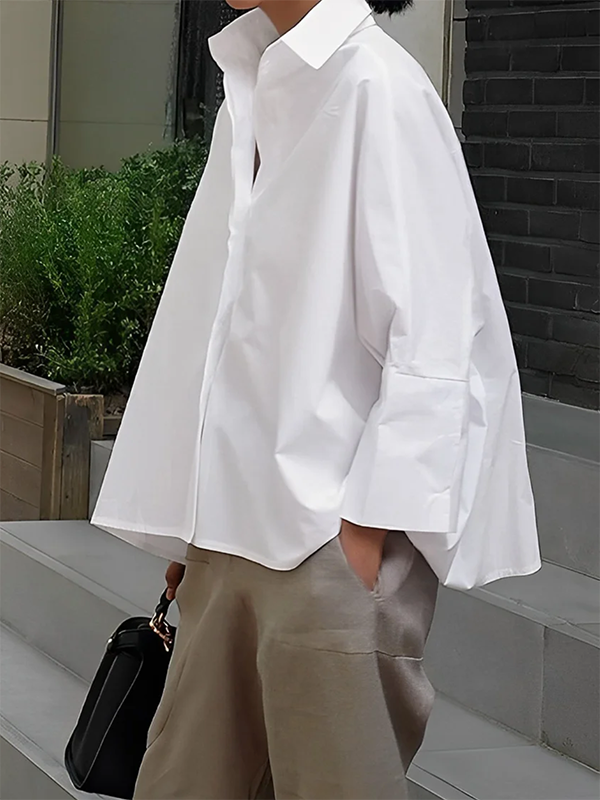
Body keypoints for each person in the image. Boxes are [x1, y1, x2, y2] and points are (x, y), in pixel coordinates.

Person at [92, 0, 542, 796]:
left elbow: (437, 330)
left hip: (325, 541)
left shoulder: (378, 88)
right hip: (230, 531)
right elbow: (228, 326)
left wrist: (363, 532)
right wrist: (191, 512)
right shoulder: (254, 83)